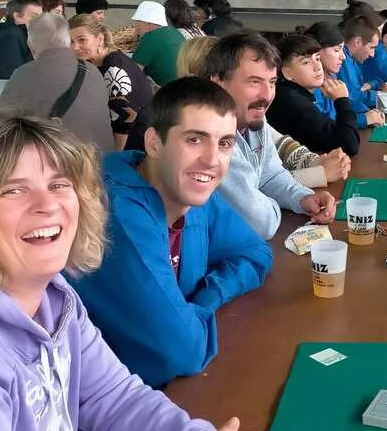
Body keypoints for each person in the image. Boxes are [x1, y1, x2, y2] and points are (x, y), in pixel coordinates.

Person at [0, 111, 273, 431]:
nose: (46, 205)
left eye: (59, 184)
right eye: (13, 189)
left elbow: (114, 401)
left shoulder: (56, 299)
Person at [70, 76, 272, 387]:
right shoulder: (116, 212)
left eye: (224, 143)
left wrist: (207, 299)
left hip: (171, 390)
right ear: (154, 143)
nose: (212, 160)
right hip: (105, 404)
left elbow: (256, 253)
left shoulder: (189, 190)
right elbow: (180, 351)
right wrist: (190, 318)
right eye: (194, 140)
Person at [204, 31, 337, 239]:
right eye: (254, 82)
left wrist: (303, 198)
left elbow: (270, 174)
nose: (266, 96)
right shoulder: (211, 134)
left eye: (272, 82)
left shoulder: (253, 115)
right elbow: (261, 223)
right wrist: (269, 200)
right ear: (218, 81)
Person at [0, 13, 113, 151]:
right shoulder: (92, 70)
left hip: (68, 161)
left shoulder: (23, 74)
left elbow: (0, 123)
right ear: (67, 40)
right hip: (105, 158)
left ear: (30, 45)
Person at [68, 13, 153, 151]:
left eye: (82, 40)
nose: (75, 47)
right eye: (71, 42)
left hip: (135, 145)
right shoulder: (98, 62)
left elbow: (126, 118)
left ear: (100, 38)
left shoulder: (113, 68)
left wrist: (114, 157)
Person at [305, 20, 382, 132]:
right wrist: (364, 119)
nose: (343, 57)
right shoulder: (312, 83)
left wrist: (367, 112)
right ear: (317, 51)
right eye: (337, 50)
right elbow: (326, 123)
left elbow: (347, 100)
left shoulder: (331, 75)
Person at [338, 13, 387, 112]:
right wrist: (383, 96)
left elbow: (361, 87)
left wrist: (374, 85)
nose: (372, 54)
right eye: (372, 48)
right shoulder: (343, 61)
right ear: (357, 42)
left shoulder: (352, 59)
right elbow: (353, 97)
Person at [0, 0, 42, 81]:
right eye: (34, 16)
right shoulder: (11, 36)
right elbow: (9, 75)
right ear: (17, 16)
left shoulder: (19, 33)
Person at [131, 0, 185, 86]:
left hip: (167, 90)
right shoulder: (176, 33)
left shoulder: (150, 37)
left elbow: (133, 71)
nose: (137, 30)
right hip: (185, 86)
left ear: (148, 24)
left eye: (138, 26)